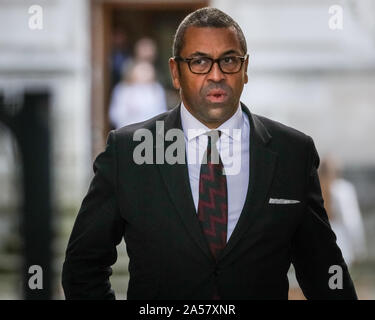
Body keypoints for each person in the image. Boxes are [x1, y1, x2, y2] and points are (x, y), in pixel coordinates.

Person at [62, 7, 358, 300]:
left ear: (245, 70)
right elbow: (82, 268)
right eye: (200, 62)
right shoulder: (128, 152)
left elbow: (325, 274)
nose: (216, 75)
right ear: (175, 72)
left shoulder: (293, 153)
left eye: (228, 60)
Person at [319, 156, 367, 267]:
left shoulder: (313, 190)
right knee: (337, 283)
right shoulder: (343, 190)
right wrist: (358, 248)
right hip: (340, 247)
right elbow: (352, 221)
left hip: (317, 250)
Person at [109, 60, 167, 129]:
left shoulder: (156, 89)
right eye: (142, 70)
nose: (145, 73)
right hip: (128, 131)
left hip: (150, 133)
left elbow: (162, 112)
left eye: (148, 70)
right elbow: (115, 115)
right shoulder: (123, 89)